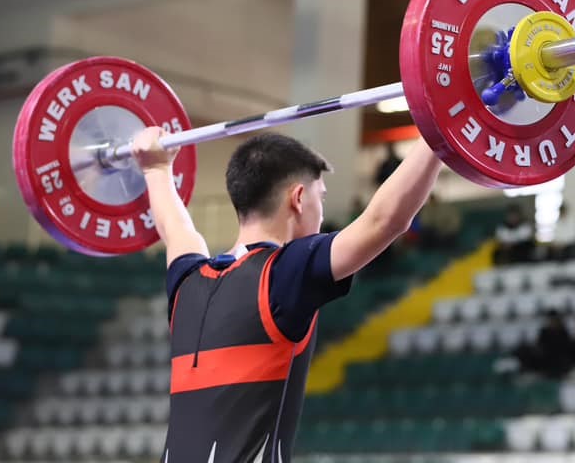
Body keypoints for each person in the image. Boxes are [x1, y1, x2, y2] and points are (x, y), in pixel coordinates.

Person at [131, 127, 443, 462]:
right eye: (320, 198)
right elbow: (384, 221)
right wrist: (438, 134)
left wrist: (155, 169)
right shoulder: (282, 274)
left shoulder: (187, 282)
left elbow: (175, 227)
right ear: (297, 198)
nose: (321, 213)